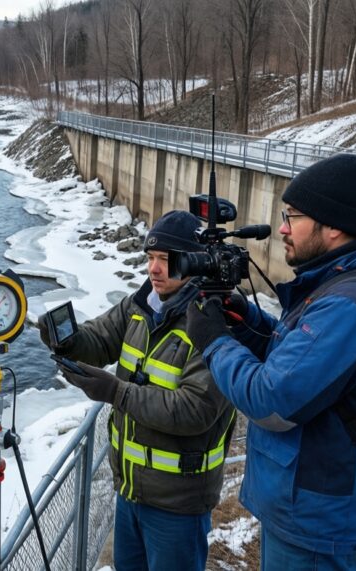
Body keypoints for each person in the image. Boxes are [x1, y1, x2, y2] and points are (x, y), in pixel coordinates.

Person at [185, 154, 356, 569]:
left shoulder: (350, 306)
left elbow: (272, 401)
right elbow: (304, 361)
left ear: (334, 226)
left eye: (293, 217)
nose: (284, 229)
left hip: (319, 525)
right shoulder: (343, 284)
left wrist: (213, 340)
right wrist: (245, 320)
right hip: (315, 512)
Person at [39, 210, 236, 571]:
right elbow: (99, 339)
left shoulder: (214, 322)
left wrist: (117, 392)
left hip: (178, 505)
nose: (154, 269)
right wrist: (67, 341)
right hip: (131, 490)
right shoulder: (142, 304)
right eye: (150, 258)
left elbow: (196, 410)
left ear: (194, 263)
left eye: (166, 260)